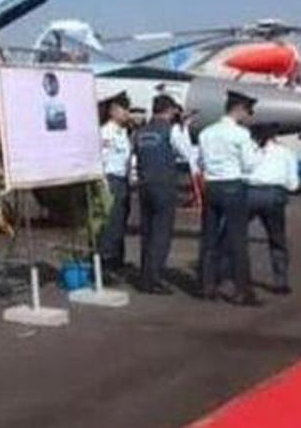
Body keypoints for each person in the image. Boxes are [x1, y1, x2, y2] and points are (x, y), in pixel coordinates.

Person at [197, 91, 262, 306]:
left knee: (209, 239)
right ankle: (241, 290)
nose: (247, 116)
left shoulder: (206, 133)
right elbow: (249, 165)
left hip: (212, 186)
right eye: (247, 111)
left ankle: (207, 286)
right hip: (233, 186)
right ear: (239, 109)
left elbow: (201, 162)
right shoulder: (241, 135)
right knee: (237, 240)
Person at [132, 94, 198, 294]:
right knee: (161, 234)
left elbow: (134, 156)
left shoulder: (140, 132)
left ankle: (145, 276)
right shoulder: (172, 131)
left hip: (144, 186)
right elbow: (187, 153)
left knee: (148, 233)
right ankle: (154, 279)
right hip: (164, 185)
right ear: (169, 110)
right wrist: (184, 127)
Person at [246, 125, 299, 295]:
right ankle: (281, 282)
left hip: (250, 193)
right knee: (277, 239)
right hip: (274, 195)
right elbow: (293, 184)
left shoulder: (249, 152)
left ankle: (226, 275)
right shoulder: (285, 153)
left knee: (235, 235)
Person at [98, 91, 134, 274]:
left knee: (120, 223)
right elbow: (101, 161)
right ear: (113, 111)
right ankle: (105, 264)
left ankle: (116, 261)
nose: (127, 113)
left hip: (122, 181)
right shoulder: (106, 132)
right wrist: (103, 185)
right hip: (111, 181)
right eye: (124, 109)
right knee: (110, 225)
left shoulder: (123, 133)